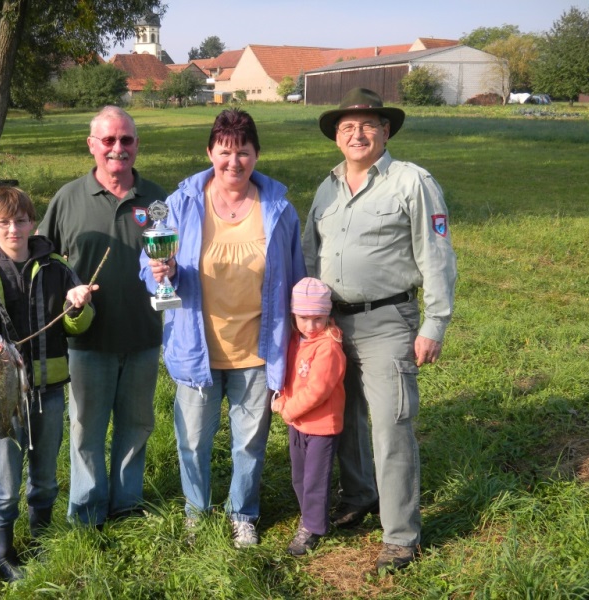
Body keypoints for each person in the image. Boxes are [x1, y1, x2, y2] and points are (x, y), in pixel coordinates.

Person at [302, 88, 457, 571]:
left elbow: (437, 255)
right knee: (341, 419)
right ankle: (360, 495)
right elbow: (311, 252)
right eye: (348, 127)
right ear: (336, 138)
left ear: (385, 131)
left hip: (388, 320)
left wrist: (434, 322)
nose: (358, 133)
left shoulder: (412, 182)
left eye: (368, 124)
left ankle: (401, 535)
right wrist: (306, 315)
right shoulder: (326, 188)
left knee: (392, 426)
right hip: (331, 324)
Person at [140, 108, 306, 547]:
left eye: (244, 153)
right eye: (225, 151)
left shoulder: (279, 209)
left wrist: (304, 331)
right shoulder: (180, 204)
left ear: (256, 155)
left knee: (249, 443)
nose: (234, 162)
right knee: (192, 440)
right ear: (210, 152)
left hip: (257, 348)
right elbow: (149, 265)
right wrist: (161, 269)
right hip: (197, 348)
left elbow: (296, 274)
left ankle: (243, 512)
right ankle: (197, 510)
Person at [0, 186, 96, 581]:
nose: (14, 229)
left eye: (21, 220)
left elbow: (77, 326)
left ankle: (42, 541)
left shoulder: (57, 267)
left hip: (48, 390)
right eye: (4, 223)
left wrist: (78, 305)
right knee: (6, 483)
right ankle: (5, 557)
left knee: (45, 477)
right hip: (1, 395)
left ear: (33, 221)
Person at [37, 106, 166, 528]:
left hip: (143, 337)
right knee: (86, 434)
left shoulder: (157, 200)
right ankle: (88, 515)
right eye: (108, 140)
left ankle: (126, 507)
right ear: (92, 145)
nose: (117, 148)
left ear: (137, 145)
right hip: (86, 342)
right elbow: (37, 255)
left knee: (136, 428)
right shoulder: (68, 198)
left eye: (125, 140)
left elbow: (181, 255)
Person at [271, 277, 346, 556]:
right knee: (299, 475)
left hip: (321, 426)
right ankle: (310, 515)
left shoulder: (328, 348)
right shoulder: (296, 338)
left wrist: (288, 408)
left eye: (318, 318)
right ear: (294, 315)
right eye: (303, 318)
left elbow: (318, 390)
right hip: (298, 423)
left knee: (316, 478)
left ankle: (313, 527)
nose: (311, 326)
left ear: (328, 315)